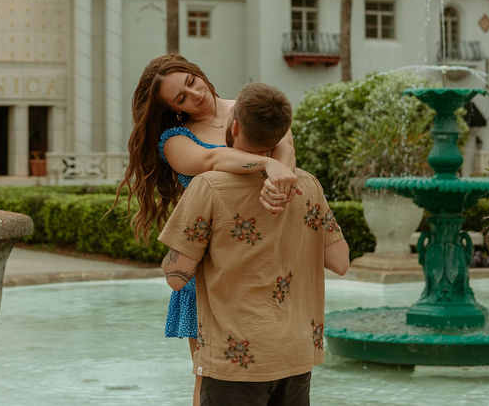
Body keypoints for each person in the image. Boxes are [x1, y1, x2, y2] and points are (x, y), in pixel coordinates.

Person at [118, 55, 300, 405]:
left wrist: (279, 183)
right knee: (211, 377)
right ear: (172, 109)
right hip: (211, 272)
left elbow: (286, 147)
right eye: (181, 97)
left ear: (197, 71)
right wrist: (267, 163)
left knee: (277, 370)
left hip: (264, 261)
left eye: (190, 81)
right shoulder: (175, 139)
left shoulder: (251, 107)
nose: (195, 93)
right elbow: (212, 161)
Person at [158, 83, 350, 405]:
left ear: (234, 127)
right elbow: (340, 261)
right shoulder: (308, 185)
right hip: (296, 351)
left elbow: (176, 277)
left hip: (237, 359)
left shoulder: (207, 187)